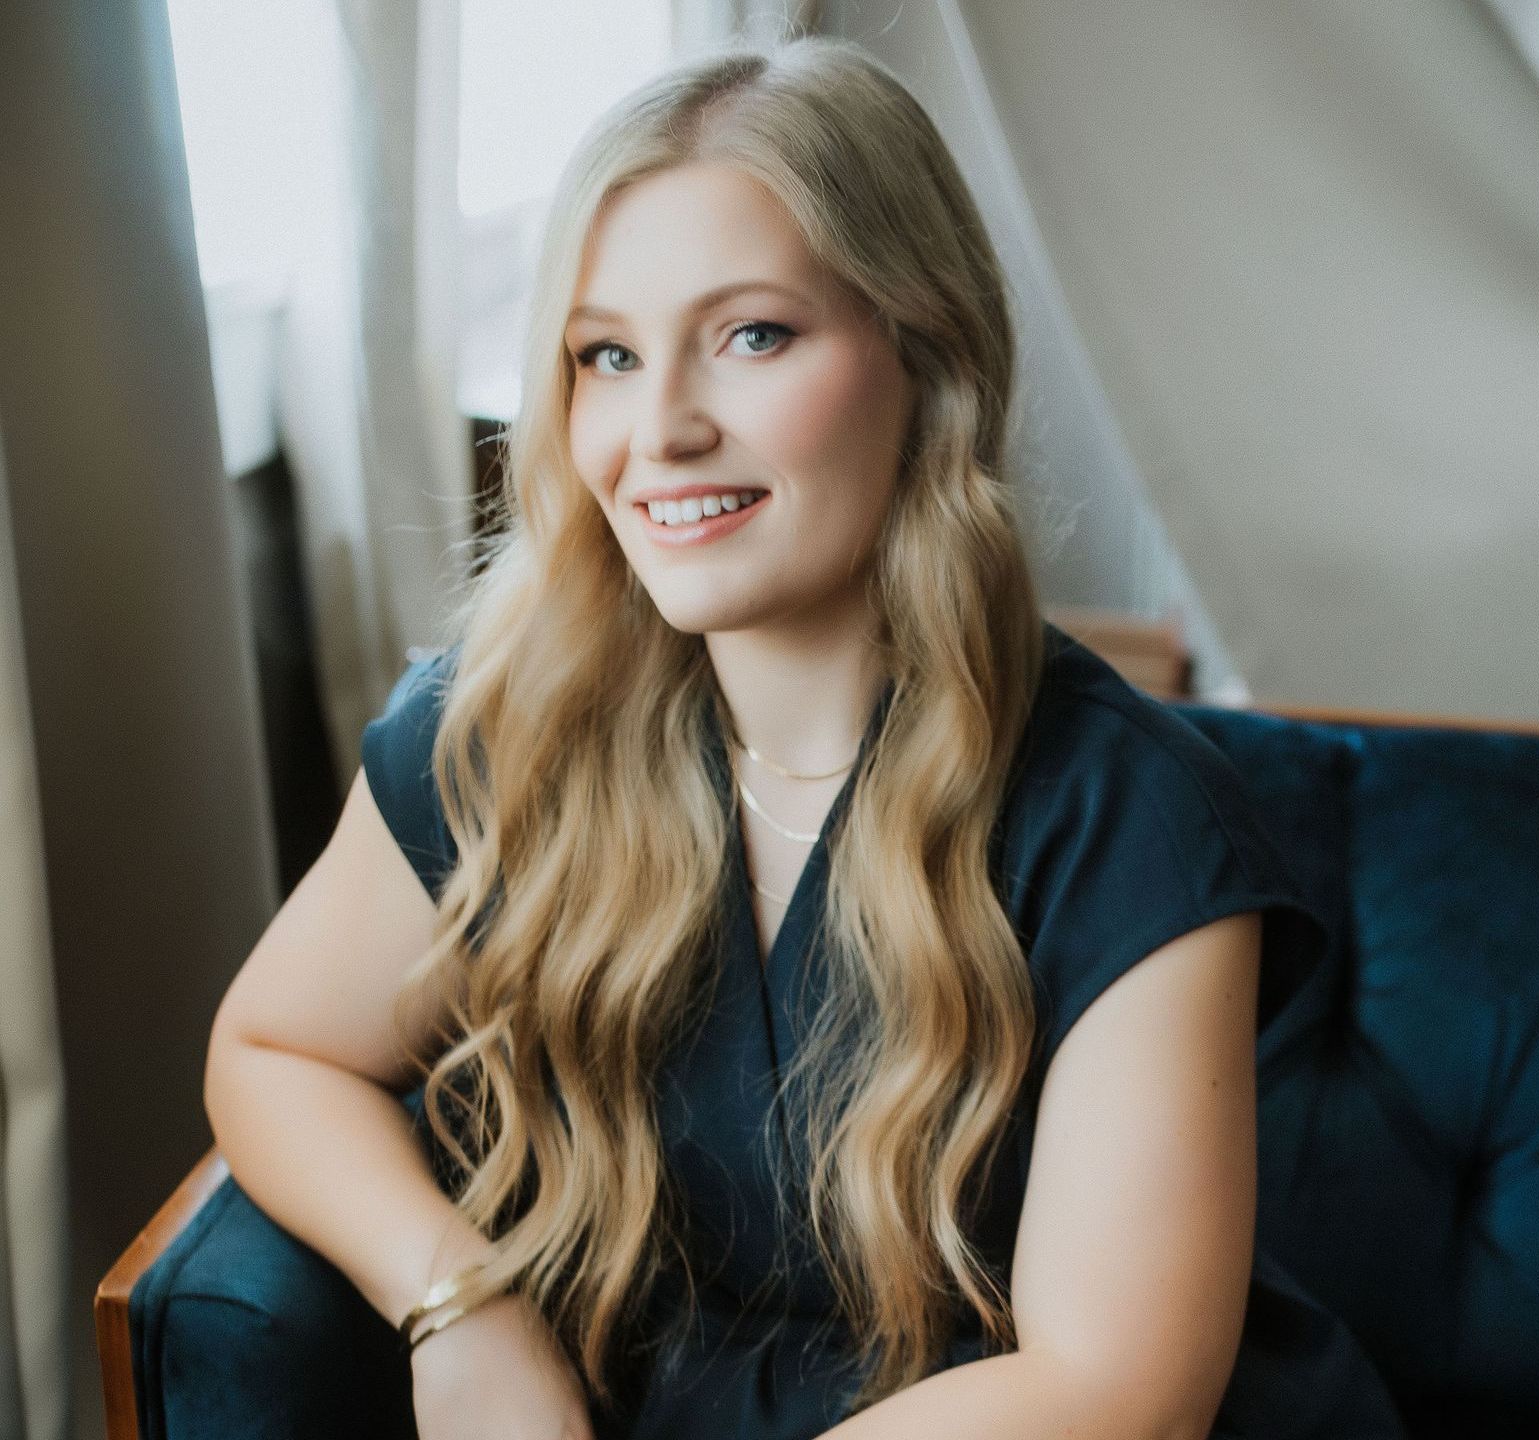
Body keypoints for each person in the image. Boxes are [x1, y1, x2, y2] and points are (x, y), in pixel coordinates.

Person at [202, 35, 1405, 1440]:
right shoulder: (501, 729)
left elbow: (1116, 1390)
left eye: (753, 336)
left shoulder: (1133, 818)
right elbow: (274, 1050)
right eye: (605, 355)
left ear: (925, 354)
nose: (661, 430)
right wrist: (459, 1303)